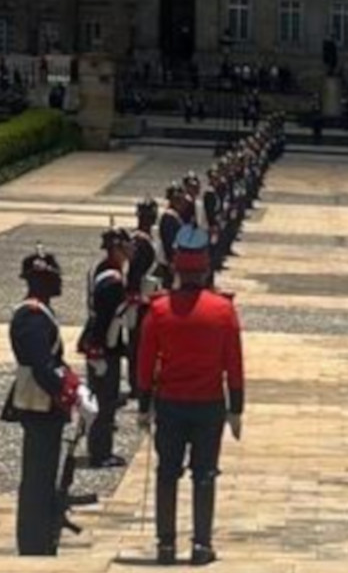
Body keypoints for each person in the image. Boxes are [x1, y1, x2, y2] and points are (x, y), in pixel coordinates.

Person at [137, 226, 245, 566]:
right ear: (205, 268)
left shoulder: (159, 310)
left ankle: (165, 544)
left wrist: (143, 404)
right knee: (205, 474)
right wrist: (236, 407)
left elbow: (145, 361)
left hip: (170, 402)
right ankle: (201, 544)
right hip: (209, 403)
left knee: (167, 473)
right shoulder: (222, 310)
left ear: (177, 269)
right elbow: (234, 362)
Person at [1, 245, 98, 556]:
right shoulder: (31, 316)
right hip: (38, 404)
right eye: (54, 278)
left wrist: (76, 386)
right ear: (41, 281)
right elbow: (43, 367)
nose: (60, 283)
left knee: (44, 473)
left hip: (45, 404)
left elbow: (54, 361)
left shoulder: (39, 312)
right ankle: (34, 540)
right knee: (37, 478)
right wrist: (69, 393)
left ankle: (41, 534)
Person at [78, 226, 133, 468]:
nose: (131, 250)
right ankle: (100, 453)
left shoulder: (104, 271)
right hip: (103, 346)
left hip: (102, 343)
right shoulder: (112, 281)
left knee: (103, 398)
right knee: (104, 400)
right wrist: (99, 350)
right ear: (117, 249)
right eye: (126, 246)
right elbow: (104, 320)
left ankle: (100, 448)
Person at [125, 198, 161, 399]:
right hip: (140, 298)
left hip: (145, 295)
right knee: (138, 342)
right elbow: (134, 273)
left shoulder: (141, 238)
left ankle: (140, 381)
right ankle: (137, 383)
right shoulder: (140, 241)